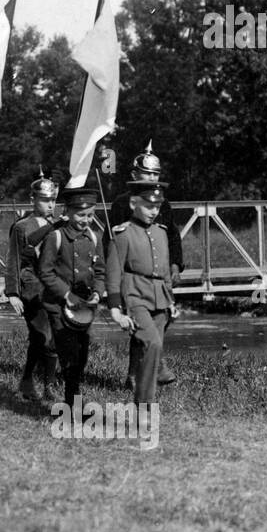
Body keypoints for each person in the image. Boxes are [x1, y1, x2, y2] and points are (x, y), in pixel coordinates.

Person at [107, 142, 182, 387]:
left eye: (155, 174)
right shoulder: (122, 203)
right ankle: (151, 369)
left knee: (160, 320)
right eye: (147, 173)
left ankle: (138, 373)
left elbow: (172, 236)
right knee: (142, 325)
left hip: (158, 278)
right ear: (134, 174)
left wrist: (175, 265)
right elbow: (114, 243)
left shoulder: (163, 203)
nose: (151, 178)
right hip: (133, 279)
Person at [37, 184, 106, 404]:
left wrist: (98, 292)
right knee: (69, 354)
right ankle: (72, 401)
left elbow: (100, 271)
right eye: (80, 215)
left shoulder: (93, 238)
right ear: (67, 212)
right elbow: (45, 272)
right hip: (59, 305)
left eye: (90, 215)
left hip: (83, 307)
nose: (86, 220)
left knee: (82, 354)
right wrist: (66, 294)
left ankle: (72, 393)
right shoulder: (56, 237)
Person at [5, 171, 61, 404]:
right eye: (45, 200)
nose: (50, 205)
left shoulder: (58, 226)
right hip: (32, 289)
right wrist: (12, 293)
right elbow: (14, 260)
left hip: (53, 289)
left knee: (54, 338)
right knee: (41, 336)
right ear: (33, 200)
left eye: (53, 200)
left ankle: (48, 384)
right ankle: (28, 379)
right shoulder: (22, 227)